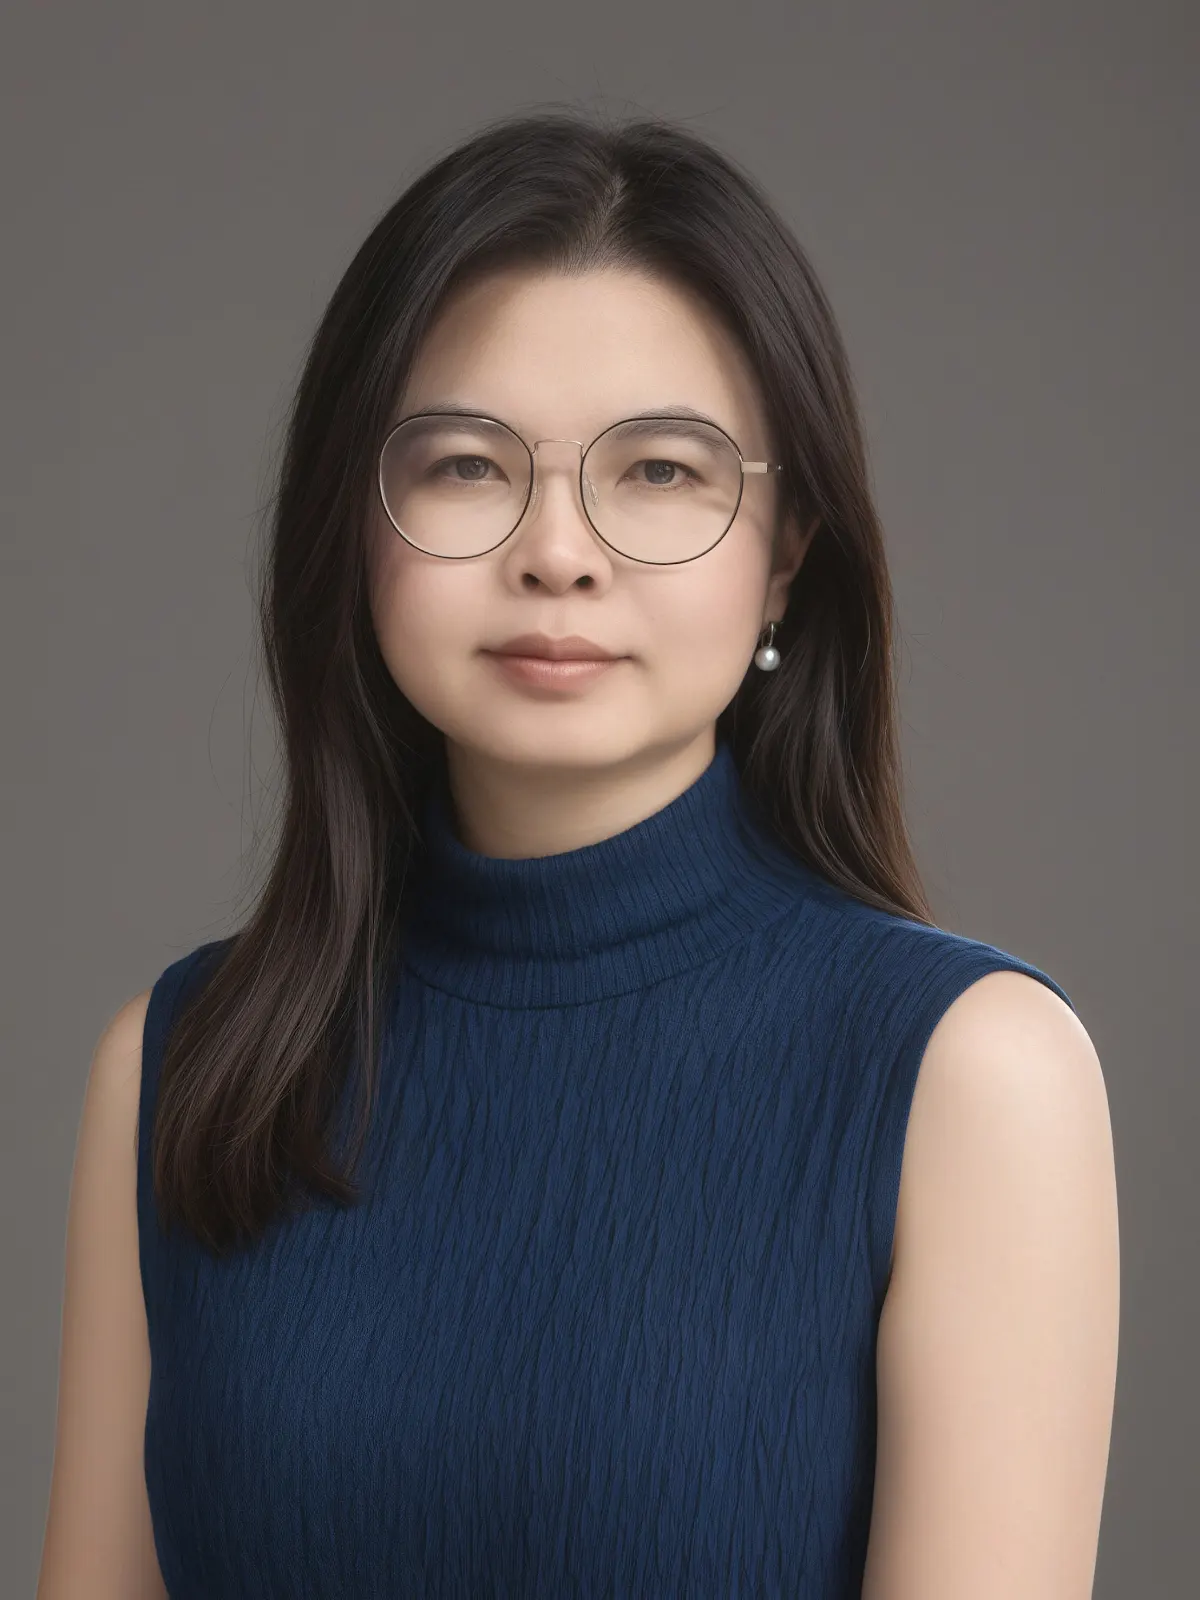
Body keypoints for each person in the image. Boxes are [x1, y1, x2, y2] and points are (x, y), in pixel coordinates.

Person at [38, 108, 1119, 1599]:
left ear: (787, 544)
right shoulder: (180, 1064)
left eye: (663, 471)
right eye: (470, 466)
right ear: (357, 525)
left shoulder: (968, 1074)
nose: (560, 548)